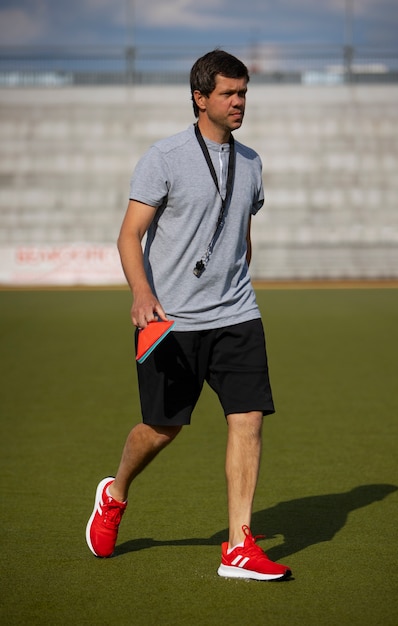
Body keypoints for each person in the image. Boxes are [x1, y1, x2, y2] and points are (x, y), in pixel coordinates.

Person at [86, 49, 292, 581]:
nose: (239, 101)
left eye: (243, 92)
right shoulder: (165, 156)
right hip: (172, 321)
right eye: (228, 93)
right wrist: (140, 293)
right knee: (162, 428)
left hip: (238, 313)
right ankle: (116, 492)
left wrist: (236, 277)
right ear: (200, 98)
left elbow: (242, 227)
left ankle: (239, 545)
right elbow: (129, 234)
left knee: (247, 419)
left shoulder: (252, 161)